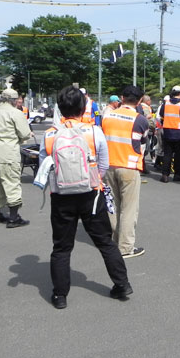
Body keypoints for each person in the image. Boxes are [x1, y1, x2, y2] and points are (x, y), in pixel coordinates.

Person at [39, 86, 133, 309]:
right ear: (84, 107)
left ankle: (60, 295)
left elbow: (44, 166)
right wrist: (95, 180)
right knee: (104, 242)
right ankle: (122, 284)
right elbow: (104, 163)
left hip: (62, 195)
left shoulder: (51, 134)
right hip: (91, 194)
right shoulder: (93, 132)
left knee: (61, 247)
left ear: (60, 108)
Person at [102, 85, 150, 259]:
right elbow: (143, 142)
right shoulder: (140, 119)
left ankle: (113, 240)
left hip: (108, 165)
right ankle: (125, 247)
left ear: (122, 98)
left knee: (112, 206)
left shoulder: (107, 116)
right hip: (129, 166)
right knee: (129, 209)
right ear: (139, 101)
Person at [0, 87, 32, 228]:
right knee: (11, 184)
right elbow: (25, 133)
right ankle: (13, 218)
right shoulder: (15, 113)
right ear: (13, 100)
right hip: (8, 151)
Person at [158, 85, 180, 183]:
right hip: (179, 134)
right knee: (179, 155)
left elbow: (162, 115)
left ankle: (165, 175)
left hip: (167, 132)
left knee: (167, 154)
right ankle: (177, 174)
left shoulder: (166, 104)